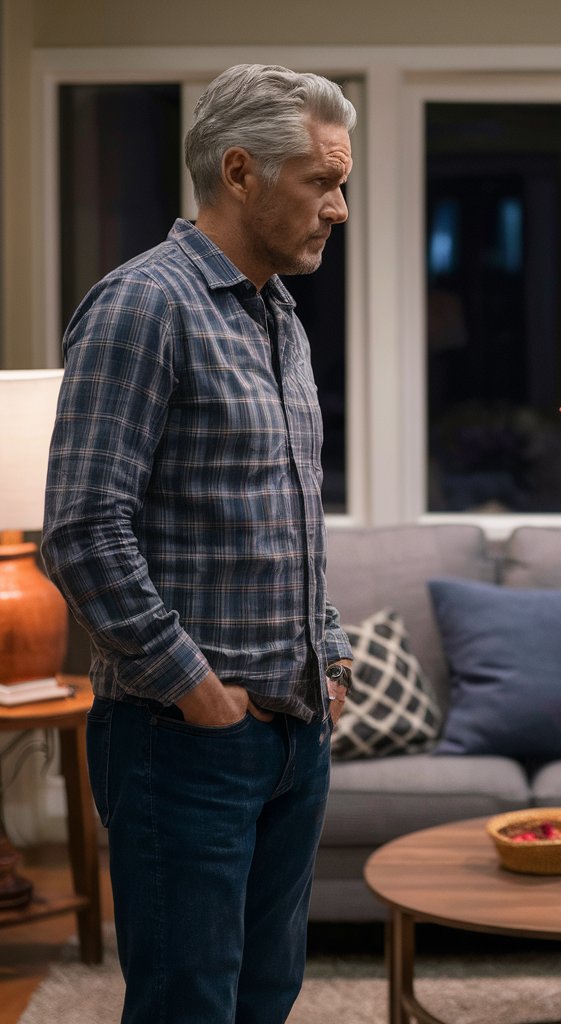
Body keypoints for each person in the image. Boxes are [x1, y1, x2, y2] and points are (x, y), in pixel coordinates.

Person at [42, 64, 357, 1024]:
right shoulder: (143, 306)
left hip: (293, 735)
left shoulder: (280, 315)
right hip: (184, 743)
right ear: (239, 171)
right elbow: (84, 529)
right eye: (321, 181)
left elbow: (286, 511)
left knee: (267, 997)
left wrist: (328, 652)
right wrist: (198, 690)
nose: (339, 208)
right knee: (189, 1004)